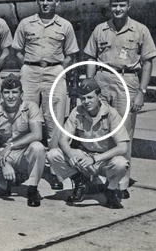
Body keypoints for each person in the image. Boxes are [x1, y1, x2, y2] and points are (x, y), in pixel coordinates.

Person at [84, 0, 156, 198]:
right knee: (95, 129)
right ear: (110, 6)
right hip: (102, 80)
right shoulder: (100, 30)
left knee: (124, 132)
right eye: (114, 5)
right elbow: (90, 58)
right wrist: (90, 85)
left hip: (128, 81)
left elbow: (147, 62)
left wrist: (141, 92)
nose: (117, 9)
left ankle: (120, 184)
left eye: (121, 5)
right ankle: (94, 177)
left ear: (128, 7)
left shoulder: (140, 30)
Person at [12, 0, 79, 189]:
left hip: (54, 72)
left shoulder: (65, 26)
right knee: (25, 118)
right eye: (42, 0)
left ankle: (52, 170)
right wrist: (27, 66)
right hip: (30, 71)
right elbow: (17, 50)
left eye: (49, 0)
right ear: (37, 1)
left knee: (54, 121)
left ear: (56, 2)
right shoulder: (26, 24)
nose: (45, 4)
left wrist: (58, 68)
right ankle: (25, 166)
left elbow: (71, 54)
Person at [47, 78, 129, 209]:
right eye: (83, 98)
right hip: (84, 156)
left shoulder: (111, 114)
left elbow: (123, 147)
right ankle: (80, 182)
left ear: (99, 96)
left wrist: (95, 159)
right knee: (53, 154)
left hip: (104, 159)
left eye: (90, 97)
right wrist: (71, 155)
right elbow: (63, 139)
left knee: (121, 163)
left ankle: (111, 190)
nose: (86, 102)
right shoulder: (77, 111)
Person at [0, 74, 45, 207]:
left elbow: (37, 134)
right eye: (7, 92)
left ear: (21, 93)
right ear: (1, 94)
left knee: (38, 147)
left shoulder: (31, 107)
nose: (10, 96)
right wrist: (3, 164)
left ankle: (32, 188)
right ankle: (5, 184)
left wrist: (12, 145)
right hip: (3, 154)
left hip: (23, 153)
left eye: (14, 92)